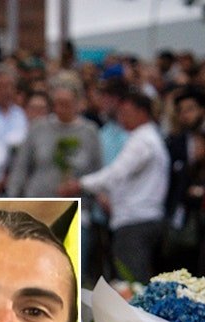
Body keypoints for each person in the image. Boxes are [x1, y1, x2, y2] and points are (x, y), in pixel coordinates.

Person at [62, 91, 169, 282]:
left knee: (132, 281)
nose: (121, 119)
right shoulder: (148, 137)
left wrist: (81, 184)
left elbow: (116, 173)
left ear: (142, 113)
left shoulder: (142, 141)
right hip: (140, 217)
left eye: (126, 113)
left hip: (135, 219)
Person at [6, 75, 101, 198]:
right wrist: (12, 196)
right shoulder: (38, 128)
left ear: (77, 103)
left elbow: (96, 170)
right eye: (57, 103)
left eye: (66, 104)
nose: (61, 109)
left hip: (75, 202)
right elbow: (21, 167)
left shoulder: (89, 131)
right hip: (39, 199)